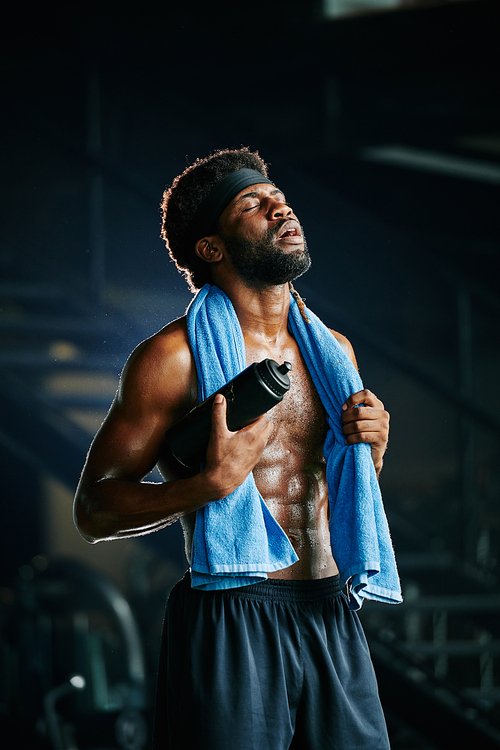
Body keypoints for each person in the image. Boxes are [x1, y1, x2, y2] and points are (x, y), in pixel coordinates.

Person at [74, 147, 399, 750]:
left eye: (281, 198)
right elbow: (93, 511)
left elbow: (329, 483)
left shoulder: (336, 355)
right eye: (255, 203)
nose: (281, 208)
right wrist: (204, 487)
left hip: (331, 609)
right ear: (212, 249)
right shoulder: (171, 360)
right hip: (232, 614)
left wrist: (368, 453)